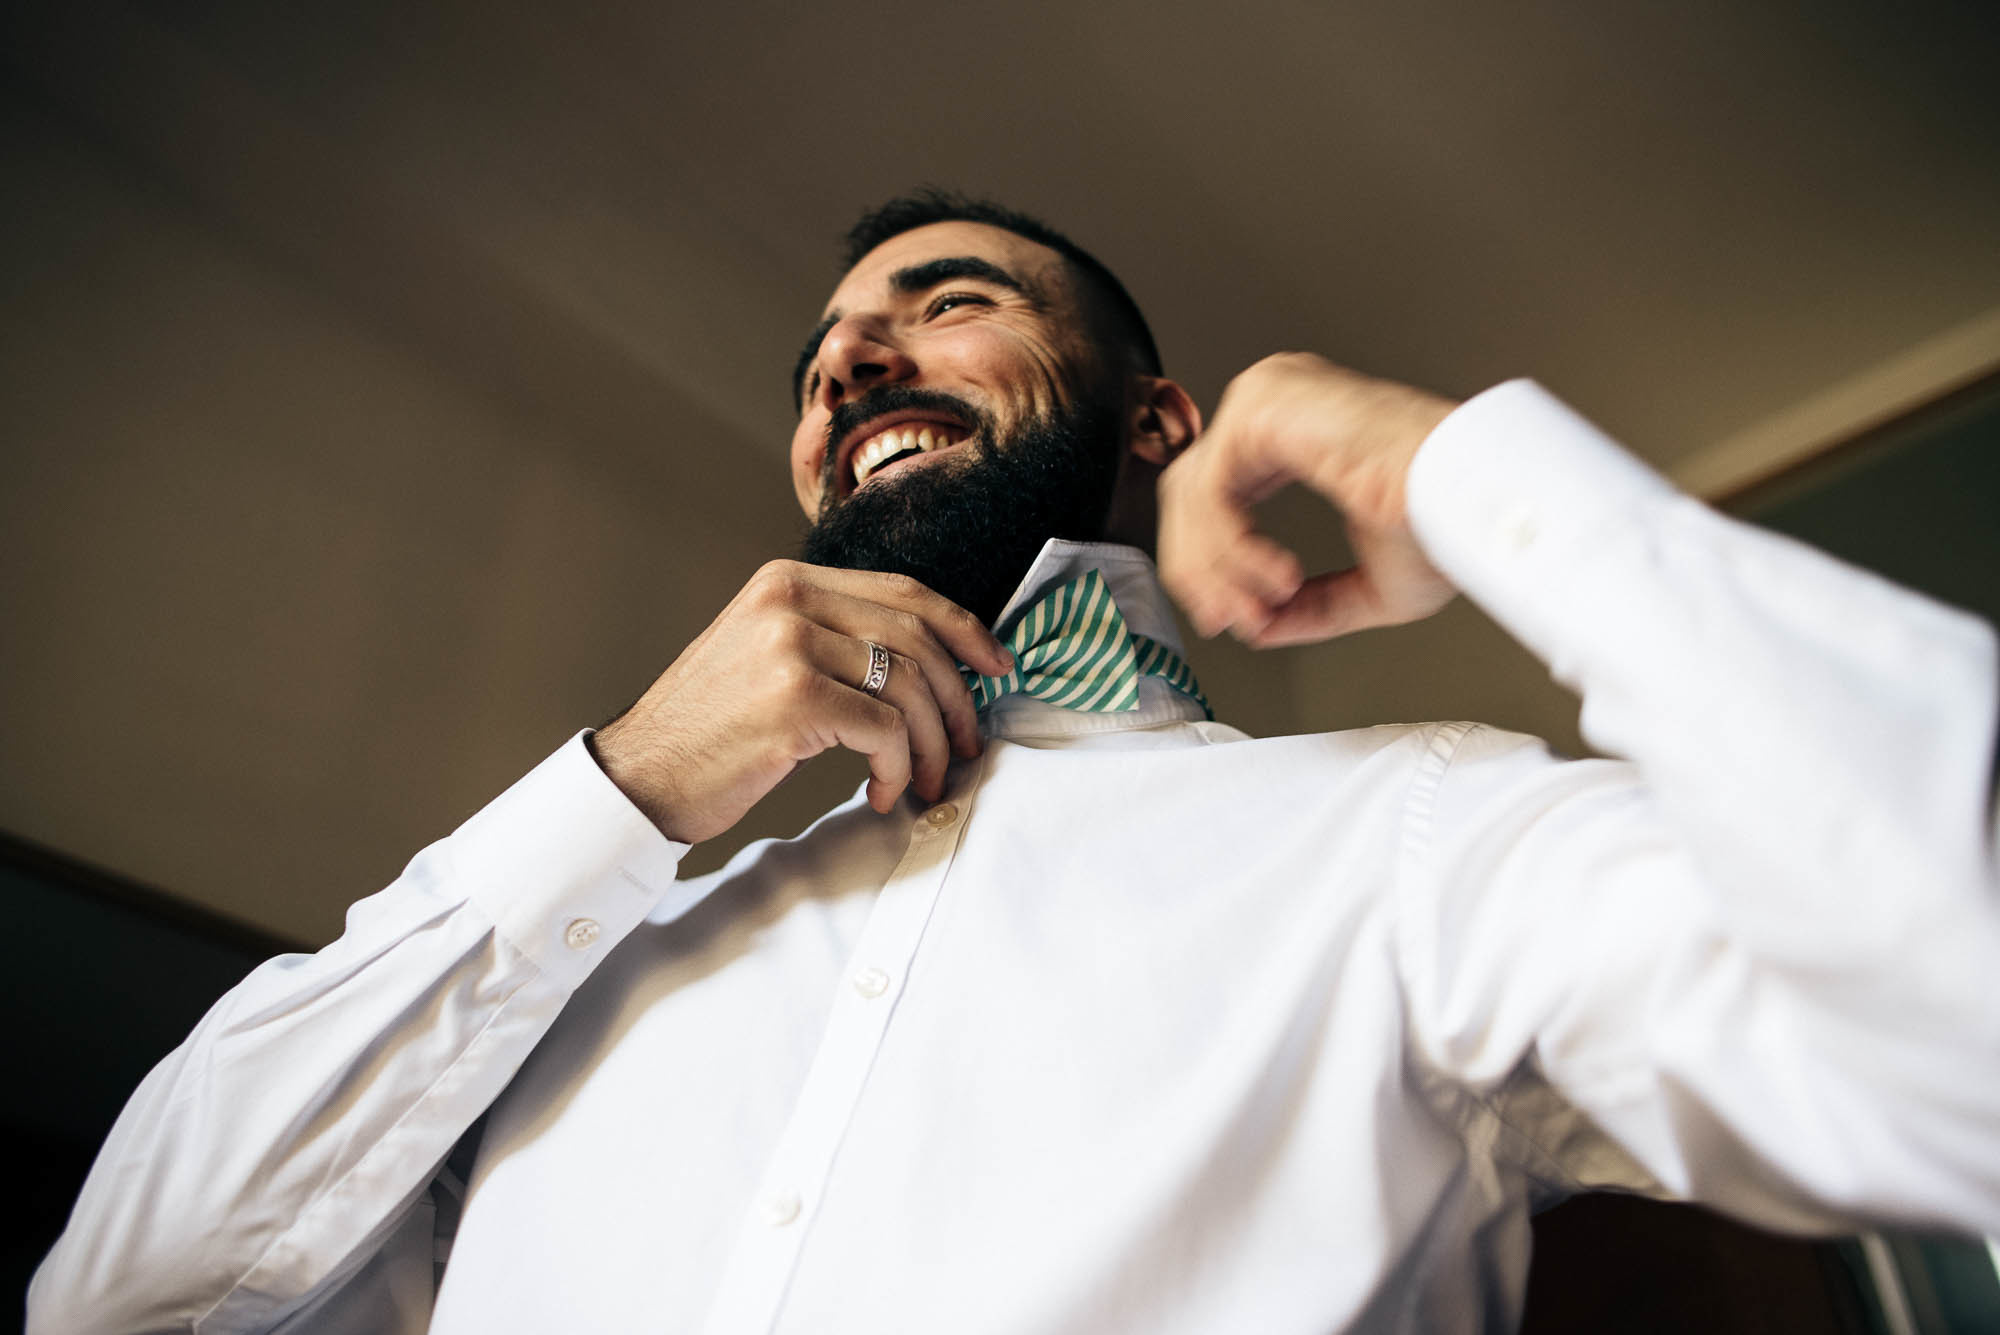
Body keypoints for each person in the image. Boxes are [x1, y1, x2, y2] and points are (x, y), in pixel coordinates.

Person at [29, 191, 2000, 1334]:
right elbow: (121, 1292)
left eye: (943, 305)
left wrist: (1451, 467)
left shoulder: (1409, 844)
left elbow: (1965, 1047)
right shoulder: (591, 949)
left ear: (1155, 413)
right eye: (824, 353)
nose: (848, 362)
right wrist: (617, 791)